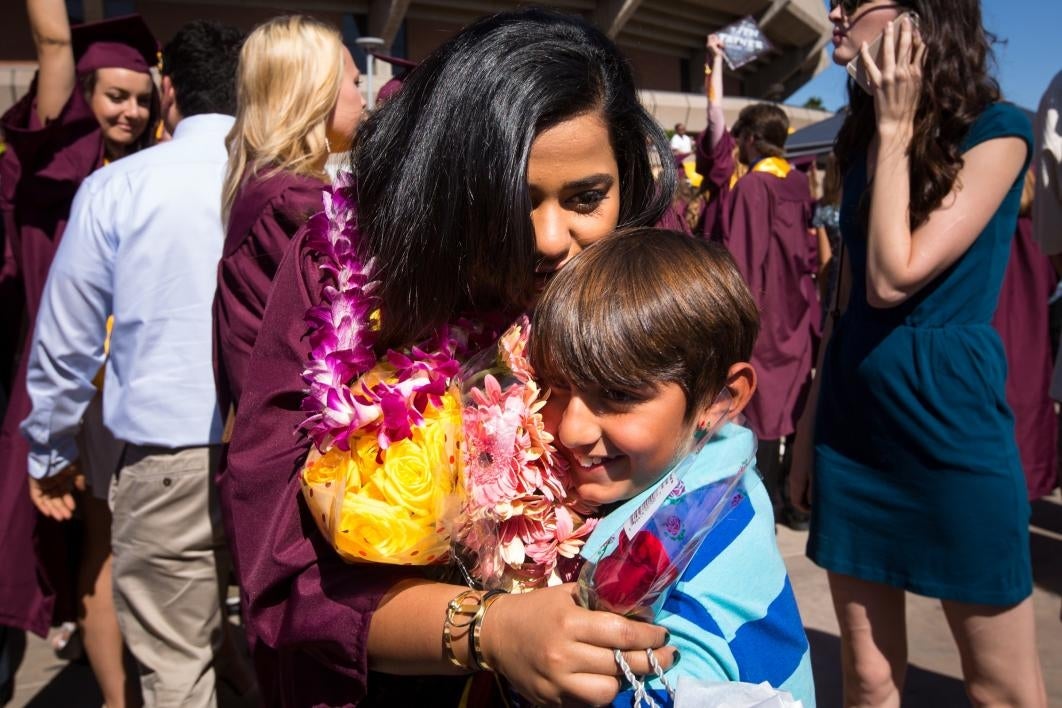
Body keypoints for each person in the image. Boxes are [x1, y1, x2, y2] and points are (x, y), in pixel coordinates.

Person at [221, 9, 679, 706]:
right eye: (510, 204)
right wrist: (488, 630)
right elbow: (278, 563)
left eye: (588, 197)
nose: (552, 239)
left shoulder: (638, 271)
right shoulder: (339, 270)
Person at [789, 1, 1047, 705]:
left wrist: (899, 128)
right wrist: (810, 428)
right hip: (853, 425)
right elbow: (844, 302)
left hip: (949, 422)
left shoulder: (999, 132)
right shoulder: (861, 136)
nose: (833, 10)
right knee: (866, 678)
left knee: (1002, 688)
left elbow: (893, 276)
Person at [20, 20, 254, 708]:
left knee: (175, 667)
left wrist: (49, 451)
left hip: (166, 457)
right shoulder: (283, 181)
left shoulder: (121, 186)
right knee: (257, 637)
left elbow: (67, 341)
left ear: (169, 90)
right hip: (270, 451)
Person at [530, 228, 816, 707]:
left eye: (618, 394)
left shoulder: (701, 558)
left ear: (719, 398)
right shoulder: (692, 475)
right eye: (556, 388)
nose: (571, 430)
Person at [0, 4, 159, 703]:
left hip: (130, 396)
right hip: (54, 392)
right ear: (82, 97)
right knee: (46, 547)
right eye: (114, 95)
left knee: (125, 549)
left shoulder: (151, 176)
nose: (129, 111)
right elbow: (56, 41)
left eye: (141, 99)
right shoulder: (55, 170)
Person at [215, 15, 365, 418]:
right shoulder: (294, 205)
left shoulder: (267, 187)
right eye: (353, 83)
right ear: (312, 96)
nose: (364, 100)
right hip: (294, 438)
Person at [719, 102, 818, 529]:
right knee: (794, 406)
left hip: (764, 317)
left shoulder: (753, 187)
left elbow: (742, 262)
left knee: (757, 409)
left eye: (740, 138)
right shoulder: (798, 182)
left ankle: (765, 504)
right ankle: (796, 500)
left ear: (752, 139)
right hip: (799, 311)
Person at [992, 170, 1059, 500]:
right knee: (1030, 419)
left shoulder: (986, 233)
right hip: (1033, 341)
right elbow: (1051, 285)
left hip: (994, 339)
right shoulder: (1040, 237)